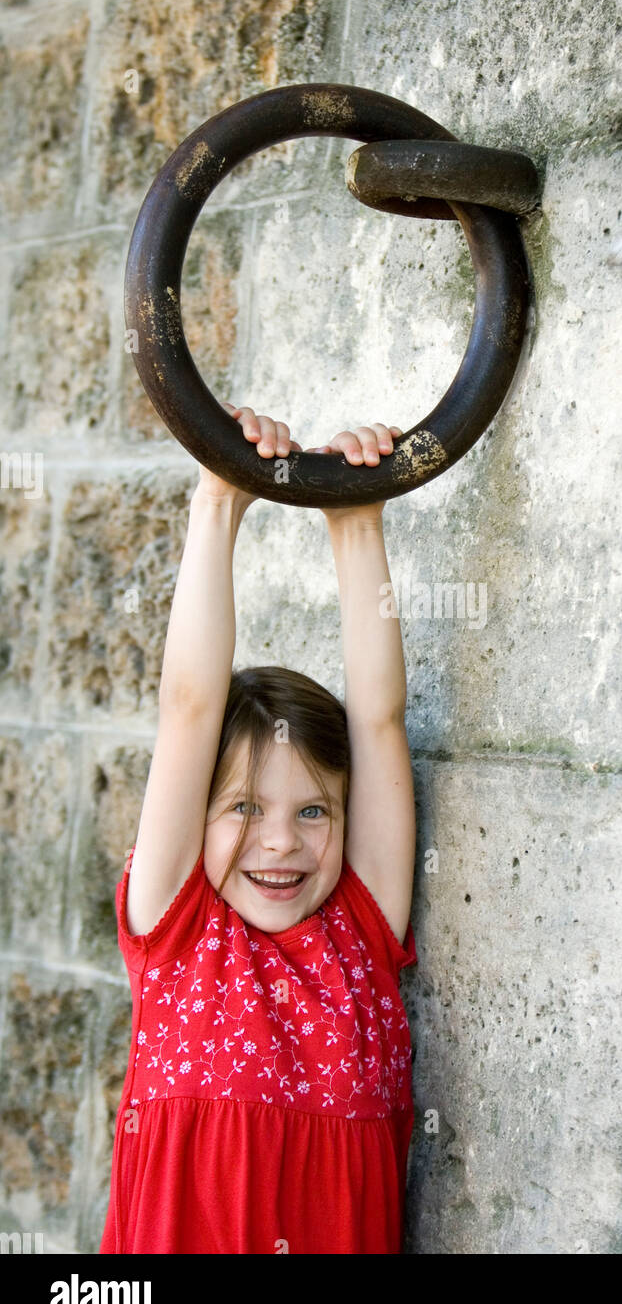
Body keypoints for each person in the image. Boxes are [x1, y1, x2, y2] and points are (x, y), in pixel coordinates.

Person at [99, 405, 417, 1254]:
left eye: (314, 811)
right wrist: (218, 498)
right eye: (243, 808)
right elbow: (190, 706)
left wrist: (356, 522)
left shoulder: (361, 931)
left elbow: (380, 721)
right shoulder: (176, 932)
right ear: (194, 817)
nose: (281, 843)